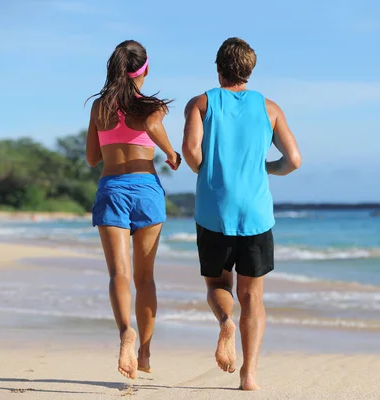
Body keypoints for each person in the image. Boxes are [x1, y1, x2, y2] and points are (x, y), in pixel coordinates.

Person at [182, 37, 301, 390]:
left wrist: (211, 173)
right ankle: (249, 376)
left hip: (214, 210)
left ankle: (225, 324)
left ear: (218, 68)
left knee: (219, 284)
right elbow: (293, 160)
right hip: (256, 213)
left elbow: (190, 152)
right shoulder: (270, 108)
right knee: (252, 297)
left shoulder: (201, 103)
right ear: (250, 70)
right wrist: (266, 169)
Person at [86, 40, 181, 380]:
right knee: (146, 277)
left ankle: (125, 330)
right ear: (146, 69)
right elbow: (154, 129)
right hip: (146, 189)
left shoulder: (100, 108)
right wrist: (170, 154)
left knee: (119, 274)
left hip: (111, 187)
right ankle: (144, 351)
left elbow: (92, 158)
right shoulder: (152, 107)